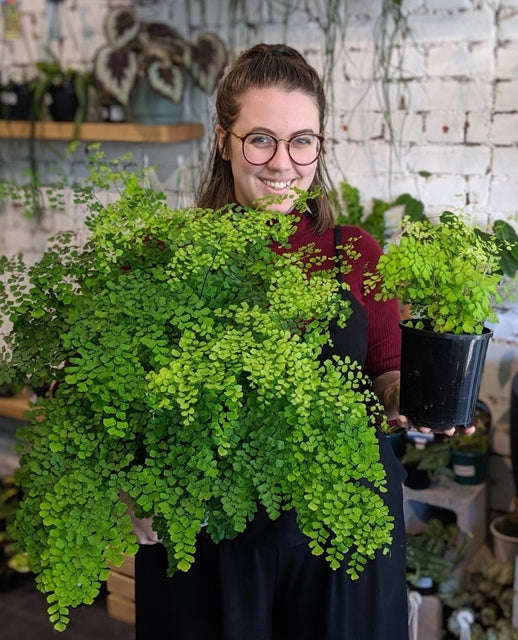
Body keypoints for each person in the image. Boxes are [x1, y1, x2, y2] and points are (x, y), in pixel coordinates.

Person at [133, 43, 474, 640]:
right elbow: (126, 388)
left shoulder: (355, 252)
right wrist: (128, 477)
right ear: (223, 140)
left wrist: (412, 397)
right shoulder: (169, 256)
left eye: (302, 140)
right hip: (212, 527)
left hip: (342, 526)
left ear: (319, 145)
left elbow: (385, 375)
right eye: (260, 138)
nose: (283, 162)